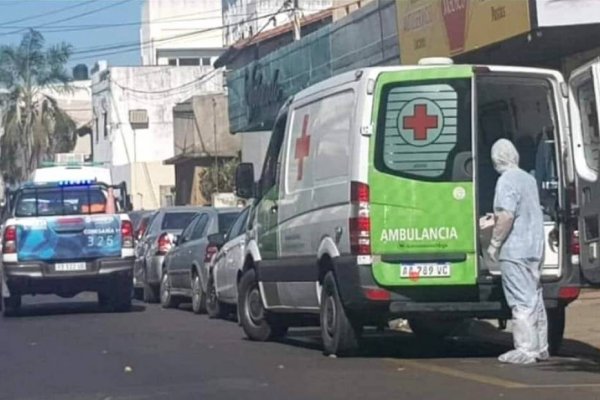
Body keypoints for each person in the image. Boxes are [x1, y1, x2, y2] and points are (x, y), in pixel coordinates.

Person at [487, 139, 549, 365]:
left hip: (516, 249)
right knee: (535, 298)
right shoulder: (528, 178)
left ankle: (525, 350)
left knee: (521, 301)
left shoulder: (506, 180)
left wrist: (494, 243)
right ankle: (540, 346)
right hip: (534, 247)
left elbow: (507, 216)